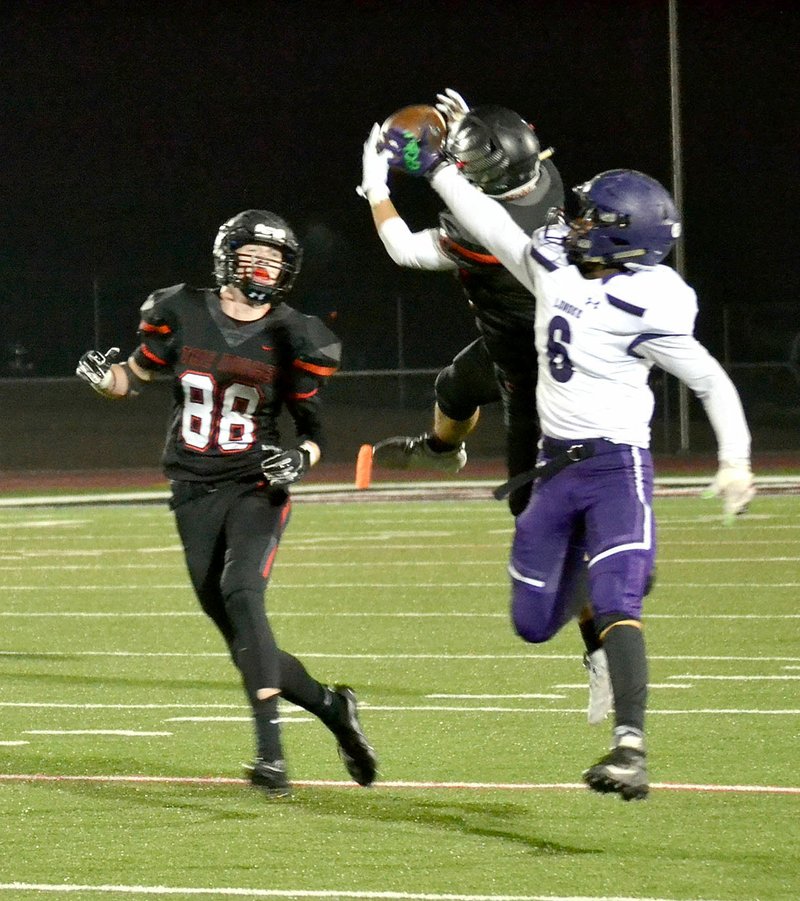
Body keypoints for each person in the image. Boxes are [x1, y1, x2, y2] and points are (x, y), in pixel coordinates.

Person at [382, 130, 755, 800]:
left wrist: (735, 461)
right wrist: (438, 169)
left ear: (623, 238)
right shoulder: (556, 261)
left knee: (618, 599)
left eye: (589, 218)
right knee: (531, 623)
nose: (572, 223)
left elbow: (711, 380)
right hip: (553, 471)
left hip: (617, 468)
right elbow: (494, 224)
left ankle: (631, 747)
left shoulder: (652, 301)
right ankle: (605, 562)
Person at [76, 209, 378, 798]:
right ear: (227, 258)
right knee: (244, 639)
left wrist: (300, 459)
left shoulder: (298, 334)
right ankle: (333, 708)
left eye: (274, 259)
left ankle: (271, 756)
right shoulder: (179, 311)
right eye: (253, 256)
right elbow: (133, 376)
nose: (263, 267)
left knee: (244, 592)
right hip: (191, 490)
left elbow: (313, 431)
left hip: (254, 485)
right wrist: (102, 378)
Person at [360, 93, 614, 728]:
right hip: (525, 339)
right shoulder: (545, 179)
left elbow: (403, 249)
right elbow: (499, 166)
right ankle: (443, 450)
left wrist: (375, 186)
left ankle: (603, 655)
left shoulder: (481, 232)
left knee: (542, 522)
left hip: (537, 376)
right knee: (453, 386)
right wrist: (475, 132)